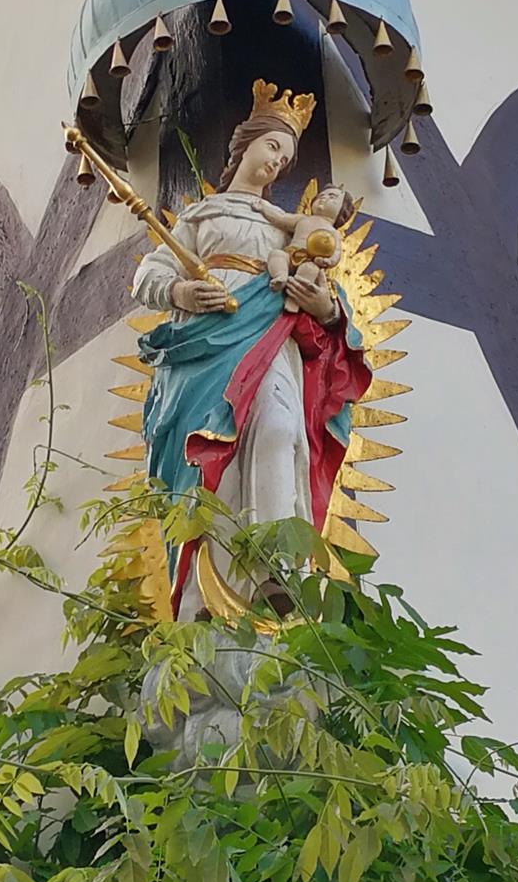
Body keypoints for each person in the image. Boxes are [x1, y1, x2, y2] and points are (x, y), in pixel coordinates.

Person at [132, 80, 372, 619]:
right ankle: (205, 597)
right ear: (245, 145)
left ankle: (274, 569)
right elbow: (150, 274)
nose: (276, 163)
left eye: (284, 158)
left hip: (268, 339)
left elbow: (322, 297)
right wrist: (181, 292)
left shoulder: (283, 228)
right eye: (271, 147)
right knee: (208, 459)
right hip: (203, 346)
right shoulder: (202, 217)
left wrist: (323, 308)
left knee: (281, 429)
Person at [250, 184, 355, 312]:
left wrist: (329, 261)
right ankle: (280, 276)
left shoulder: (333, 232)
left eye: (332, 197)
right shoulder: (302, 219)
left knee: (309, 271)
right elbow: (280, 219)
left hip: (311, 260)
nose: (323, 198)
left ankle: (294, 301)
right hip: (291, 253)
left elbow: (336, 252)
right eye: (320, 196)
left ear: (342, 211)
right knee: (277, 255)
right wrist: (263, 209)